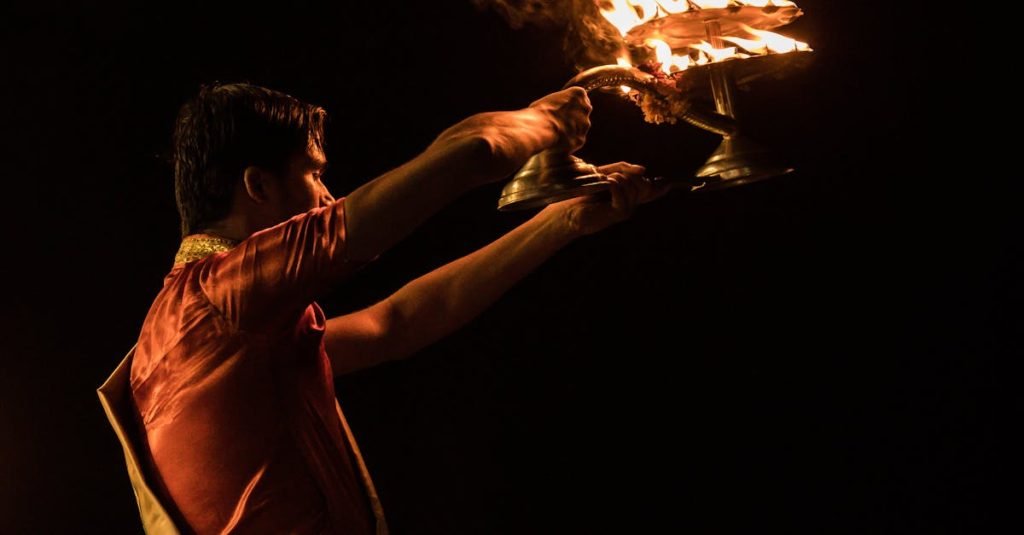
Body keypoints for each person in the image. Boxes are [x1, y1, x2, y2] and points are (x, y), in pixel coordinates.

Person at [103, 82, 667, 534]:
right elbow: (473, 153)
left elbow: (396, 322)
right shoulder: (219, 295)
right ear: (257, 185)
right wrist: (546, 124)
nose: (326, 195)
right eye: (315, 173)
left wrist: (561, 221)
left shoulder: (208, 326)